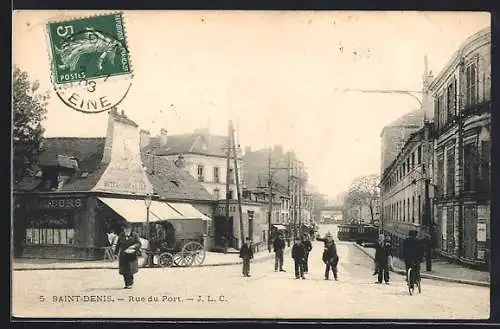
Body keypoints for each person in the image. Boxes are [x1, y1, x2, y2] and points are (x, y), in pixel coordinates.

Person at [114, 222, 142, 289]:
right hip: (123, 255)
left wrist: (134, 246)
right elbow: (118, 245)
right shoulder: (121, 235)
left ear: (130, 229)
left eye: (128, 229)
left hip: (132, 255)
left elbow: (139, 243)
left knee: (130, 270)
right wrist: (115, 253)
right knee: (124, 271)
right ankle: (126, 284)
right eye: (125, 229)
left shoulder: (135, 235)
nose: (126, 230)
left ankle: (130, 283)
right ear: (123, 229)